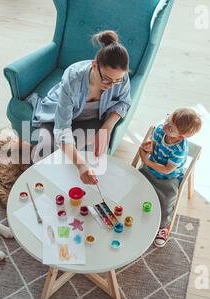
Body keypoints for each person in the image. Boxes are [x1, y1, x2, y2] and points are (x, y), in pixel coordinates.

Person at [27, 30, 132, 184]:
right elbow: (62, 127)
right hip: (57, 116)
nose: (112, 86)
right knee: (42, 155)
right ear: (94, 65)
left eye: (117, 81)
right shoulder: (73, 77)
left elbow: (124, 102)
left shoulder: (121, 78)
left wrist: (106, 128)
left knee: (67, 156)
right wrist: (82, 166)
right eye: (107, 79)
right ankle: (35, 183)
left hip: (90, 120)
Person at [138, 108, 202, 247]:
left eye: (171, 128)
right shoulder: (161, 130)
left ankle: (163, 227)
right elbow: (154, 144)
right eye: (168, 119)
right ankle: (135, 209)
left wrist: (147, 161)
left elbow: (167, 170)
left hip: (168, 178)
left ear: (180, 137)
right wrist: (148, 146)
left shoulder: (179, 150)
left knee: (166, 201)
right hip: (151, 168)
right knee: (135, 185)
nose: (166, 125)